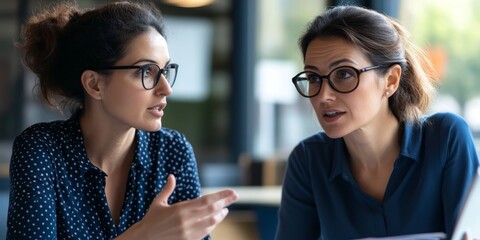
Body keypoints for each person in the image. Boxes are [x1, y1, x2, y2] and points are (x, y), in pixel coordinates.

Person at [7, 1, 238, 239]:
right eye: (146, 71)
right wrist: (144, 235)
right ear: (94, 84)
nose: (165, 88)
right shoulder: (41, 150)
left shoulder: (173, 152)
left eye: (165, 70)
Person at [276, 5, 479, 240]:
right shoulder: (308, 160)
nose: (323, 96)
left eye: (343, 74)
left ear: (391, 80)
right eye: (313, 78)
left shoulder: (446, 139)